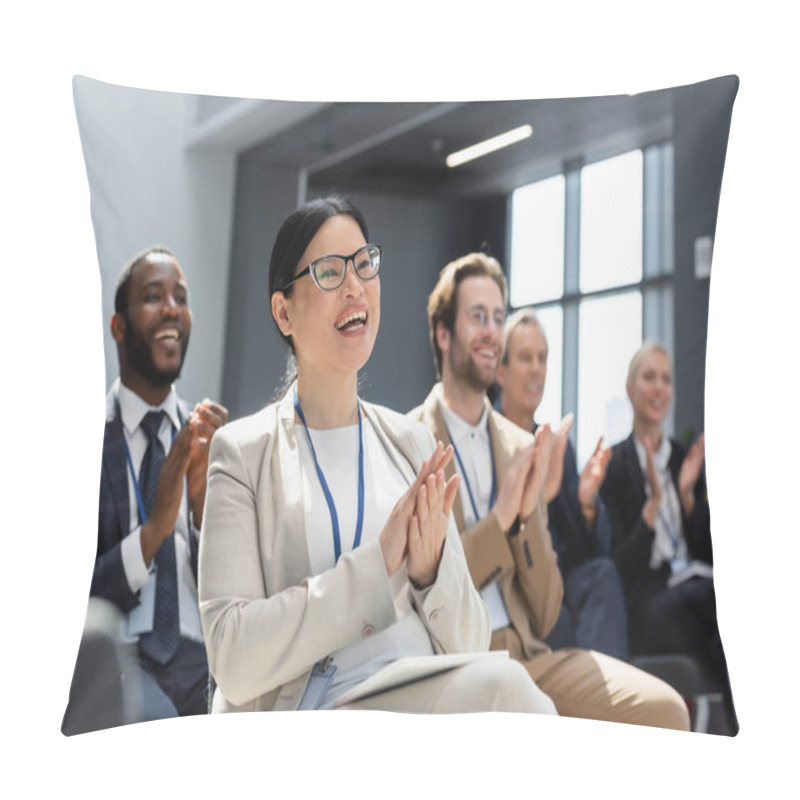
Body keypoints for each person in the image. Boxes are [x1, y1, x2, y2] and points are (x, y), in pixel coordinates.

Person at [198, 197, 555, 715]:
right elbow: (231, 655)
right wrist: (379, 565)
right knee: (509, 692)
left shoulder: (410, 442)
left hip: (415, 685)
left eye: (364, 264)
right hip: (314, 706)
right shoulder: (242, 454)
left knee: (506, 685)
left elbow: (474, 642)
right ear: (284, 311)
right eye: (328, 271)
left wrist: (430, 571)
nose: (354, 286)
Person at [410, 252, 689, 730]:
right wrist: (501, 518)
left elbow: (544, 610)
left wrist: (527, 518)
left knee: (666, 712)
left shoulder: (520, 446)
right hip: (456, 661)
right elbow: (425, 598)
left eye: (498, 317)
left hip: (530, 653)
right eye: (477, 316)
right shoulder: (408, 439)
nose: (491, 331)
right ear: (443, 333)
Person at [85, 246, 228, 723]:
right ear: (119, 327)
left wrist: (205, 505)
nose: (172, 308)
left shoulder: (214, 442)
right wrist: (154, 532)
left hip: (207, 660)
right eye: (153, 296)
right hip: (120, 656)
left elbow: (240, 583)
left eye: (181, 298)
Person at [600, 341, 737, 732]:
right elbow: (617, 571)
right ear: (630, 388)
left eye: (666, 379)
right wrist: (652, 509)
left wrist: (690, 498)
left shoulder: (682, 460)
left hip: (694, 593)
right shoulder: (613, 466)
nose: (659, 388)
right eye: (649, 378)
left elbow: (707, 554)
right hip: (651, 603)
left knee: (719, 641)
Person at [495, 308, 627, 659]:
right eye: (525, 358)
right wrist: (541, 496)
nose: (537, 368)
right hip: (510, 587)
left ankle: (609, 701)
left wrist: (584, 502)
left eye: (542, 358)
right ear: (500, 371)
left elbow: (585, 552)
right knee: (558, 617)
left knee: (602, 575)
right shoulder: (485, 439)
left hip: (557, 583)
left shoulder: (556, 447)